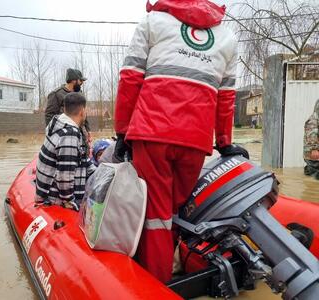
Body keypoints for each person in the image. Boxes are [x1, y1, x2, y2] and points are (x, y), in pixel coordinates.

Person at [114, 0, 248, 282]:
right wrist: (223, 142)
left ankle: (156, 282)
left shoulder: (152, 22)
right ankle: (180, 262)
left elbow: (130, 79)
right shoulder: (227, 36)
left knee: (156, 214)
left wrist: (122, 132)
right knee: (176, 208)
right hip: (196, 140)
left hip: (152, 133)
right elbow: (226, 96)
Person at [35, 93, 96, 210]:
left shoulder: (58, 124)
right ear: (82, 111)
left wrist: (99, 173)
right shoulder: (70, 134)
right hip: (56, 198)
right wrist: (69, 201)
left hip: (49, 190)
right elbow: (64, 176)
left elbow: (83, 158)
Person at [304, 99, 319, 179]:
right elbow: (312, 134)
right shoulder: (313, 120)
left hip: (314, 154)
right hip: (314, 153)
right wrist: (314, 149)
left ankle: (308, 172)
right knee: (316, 178)